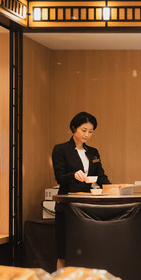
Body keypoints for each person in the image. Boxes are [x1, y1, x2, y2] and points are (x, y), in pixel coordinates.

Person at [52, 111, 110, 269]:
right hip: (67, 206)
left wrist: (112, 188)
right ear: (74, 128)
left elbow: (101, 176)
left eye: (90, 131)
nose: (87, 135)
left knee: (86, 249)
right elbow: (59, 177)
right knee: (64, 251)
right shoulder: (61, 149)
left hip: (87, 206)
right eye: (84, 130)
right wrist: (73, 175)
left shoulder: (93, 152)